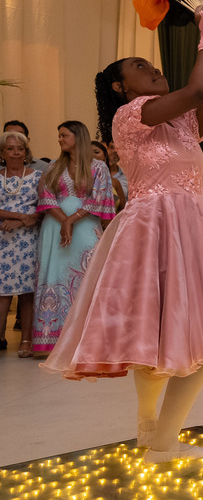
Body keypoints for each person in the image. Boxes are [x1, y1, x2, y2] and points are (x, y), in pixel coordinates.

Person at [42, 3, 203, 463]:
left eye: (152, 63)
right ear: (120, 87)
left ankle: (153, 433)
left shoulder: (182, 122)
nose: (154, 68)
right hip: (152, 228)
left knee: (188, 336)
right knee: (164, 336)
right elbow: (198, 88)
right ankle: (157, 437)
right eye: (140, 67)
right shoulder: (129, 115)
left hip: (192, 228)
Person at [32, 121, 115, 356]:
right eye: (59, 135)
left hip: (85, 226)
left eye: (64, 135)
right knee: (54, 275)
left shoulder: (98, 167)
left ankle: (87, 339)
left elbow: (98, 198)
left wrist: (71, 221)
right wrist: (63, 221)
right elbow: (46, 196)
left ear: (78, 137)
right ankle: (51, 338)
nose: (59, 139)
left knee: (88, 275)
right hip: (53, 227)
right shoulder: (54, 166)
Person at [0, 130, 42, 356]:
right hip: (2, 240)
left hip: (28, 240)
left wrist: (22, 222)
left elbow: (45, 207)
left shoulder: (38, 176)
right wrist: (18, 217)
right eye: (10, 148)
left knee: (27, 291)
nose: (16, 152)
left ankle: (26, 340)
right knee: (2, 291)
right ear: (2, 153)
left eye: (20, 148)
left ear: (26, 152)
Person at [92, 141, 127, 213]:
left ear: (105, 156)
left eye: (96, 152)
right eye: (111, 147)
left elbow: (122, 208)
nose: (92, 156)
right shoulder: (78, 181)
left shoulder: (115, 182)